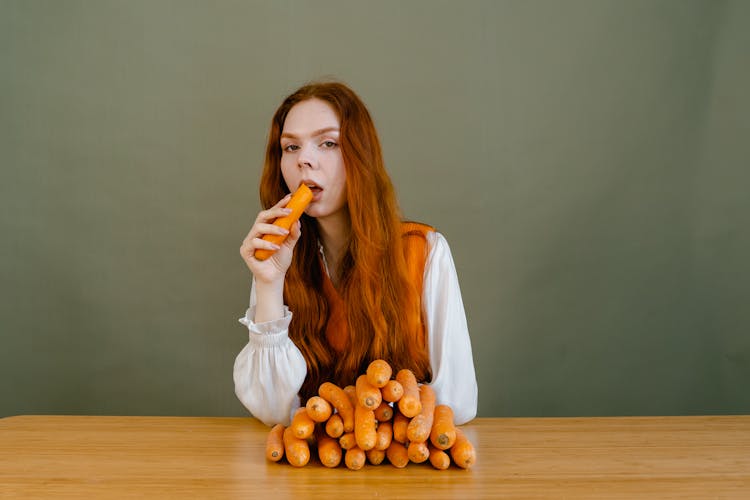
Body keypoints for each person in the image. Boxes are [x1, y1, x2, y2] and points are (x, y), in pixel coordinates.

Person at [235, 81, 477, 427]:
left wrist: (363, 420)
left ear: (360, 156)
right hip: (312, 474)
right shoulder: (275, 258)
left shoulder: (425, 252)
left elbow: (460, 402)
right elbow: (273, 411)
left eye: (328, 143)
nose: (304, 159)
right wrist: (268, 284)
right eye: (290, 147)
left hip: (406, 471)